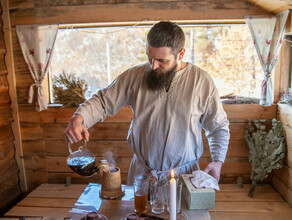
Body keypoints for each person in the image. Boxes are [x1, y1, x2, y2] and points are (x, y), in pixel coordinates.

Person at [64, 21, 230, 184]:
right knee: (137, 212)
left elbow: (218, 126)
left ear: (180, 54)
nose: (153, 66)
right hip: (143, 176)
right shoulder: (135, 76)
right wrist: (80, 117)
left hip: (184, 177)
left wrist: (218, 161)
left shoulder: (201, 82)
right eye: (149, 58)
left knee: (181, 213)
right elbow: (102, 102)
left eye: (162, 61)